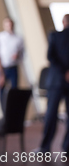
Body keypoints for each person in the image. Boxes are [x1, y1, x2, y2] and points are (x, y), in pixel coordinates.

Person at [37, 14, 69, 153]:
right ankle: (67, 146)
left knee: (51, 114)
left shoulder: (55, 36)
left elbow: (50, 56)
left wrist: (64, 71)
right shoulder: (55, 35)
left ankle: (45, 147)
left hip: (56, 80)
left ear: (63, 22)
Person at [0, 17, 24, 99]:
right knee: (1, 90)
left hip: (13, 67)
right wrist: (0, 71)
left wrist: (18, 56)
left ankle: (13, 110)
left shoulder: (19, 38)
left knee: (14, 90)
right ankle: (4, 111)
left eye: (10, 25)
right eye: (7, 25)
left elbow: (22, 54)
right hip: (2, 67)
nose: (9, 26)